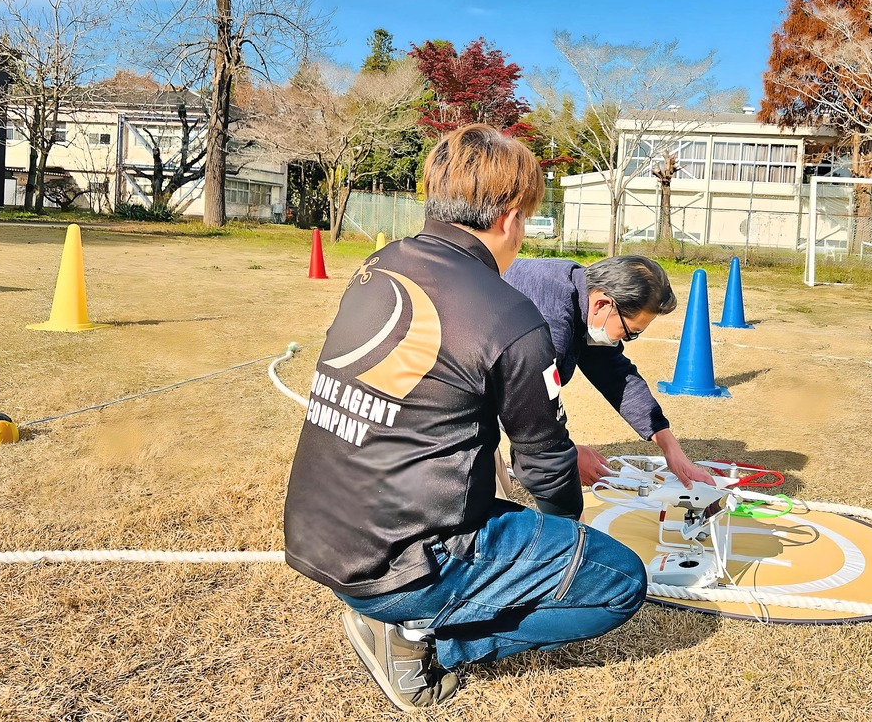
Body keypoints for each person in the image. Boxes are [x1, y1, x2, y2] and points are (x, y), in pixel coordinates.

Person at [283, 124, 647, 714]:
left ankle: (403, 616)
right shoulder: (510, 315)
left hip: (317, 537)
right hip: (404, 564)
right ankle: (425, 643)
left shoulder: (378, 266)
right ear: (508, 217)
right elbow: (547, 464)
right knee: (621, 581)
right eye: (525, 219)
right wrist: (568, 536)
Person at [503, 255, 714, 489]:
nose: (628, 339)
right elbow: (521, 404)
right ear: (603, 304)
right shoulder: (552, 320)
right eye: (629, 331)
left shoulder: (582, 292)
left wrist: (671, 448)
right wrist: (566, 454)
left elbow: (616, 375)